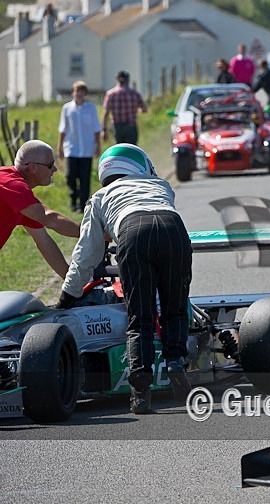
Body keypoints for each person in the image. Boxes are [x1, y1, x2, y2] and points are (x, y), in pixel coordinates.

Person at [57, 144, 193, 414]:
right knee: (174, 307)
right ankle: (176, 362)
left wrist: (67, 296)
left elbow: (86, 255)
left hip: (133, 234)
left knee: (139, 317)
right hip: (174, 230)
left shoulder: (99, 198)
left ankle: (141, 393)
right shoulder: (162, 186)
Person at [0, 140, 80, 278]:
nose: (55, 169)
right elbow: (49, 218)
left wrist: (74, 286)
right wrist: (94, 233)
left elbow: (43, 241)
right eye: (50, 165)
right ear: (33, 168)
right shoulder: (10, 184)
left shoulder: (22, 201)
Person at [57, 80, 103, 212]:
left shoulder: (91, 108)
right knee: (71, 175)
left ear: (85, 94)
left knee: (85, 177)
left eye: (82, 91)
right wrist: (60, 147)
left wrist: (98, 146)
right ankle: (73, 198)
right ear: (73, 93)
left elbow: (96, 128)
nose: (79, 94)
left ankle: (83, 204)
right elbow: (63, 129)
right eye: (77, 91)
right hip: (71, 147)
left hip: (87, 148)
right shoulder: (67, 108)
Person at [102, 71, 147, 145]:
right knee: (131, 149)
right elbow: (144, 109)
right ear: (128, 80)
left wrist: (104, 129)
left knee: (119, 149)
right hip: (131, 125)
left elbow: (106, 113)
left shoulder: (110, 94)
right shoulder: (134, 94)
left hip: (117, 126)